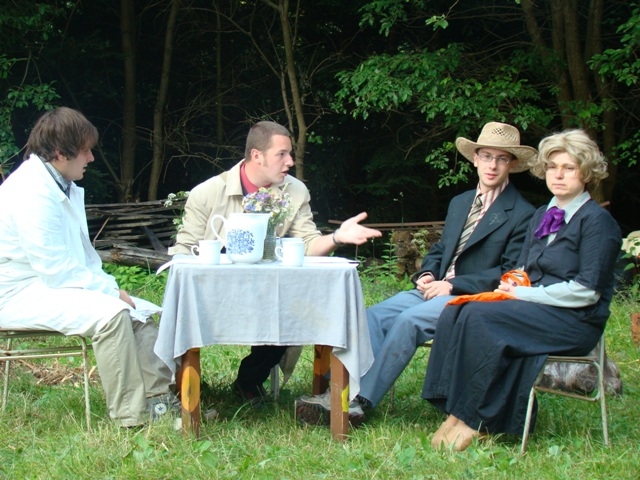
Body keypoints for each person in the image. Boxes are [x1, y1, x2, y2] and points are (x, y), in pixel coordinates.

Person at [295, 121, 537, 425]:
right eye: (487, 156)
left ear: (512, 164)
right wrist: (427, 274)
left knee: (409, 321)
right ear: (475, 159)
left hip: (473, 299)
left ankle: (359, 401)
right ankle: (338, 391)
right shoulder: (461, 202)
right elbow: (441, 249)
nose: (492, 165)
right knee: (372, 317)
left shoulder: (523, 213)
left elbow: (509, 272)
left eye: (501, 158)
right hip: (434, 289)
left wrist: (453, 286)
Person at [422, 129, 622, 451]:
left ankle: (475, 419)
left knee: (480, 319)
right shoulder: (542, 214)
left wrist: (523, 295)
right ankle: (454, 409)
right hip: (534, 308)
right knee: (457, 310)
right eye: (552, 166)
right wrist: (512, 284)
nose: (558, 174)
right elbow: (524, 268)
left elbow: (587, 292)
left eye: (568, 168)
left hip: (575, 320)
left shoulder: (598, 222)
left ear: (585, 173)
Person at [168, 120, 381, 406]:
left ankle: (249, 379)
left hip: (272, 292)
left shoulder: (295, 191)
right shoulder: (207, 193)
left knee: (294, 312)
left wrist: (337, 237)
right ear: (257, 155)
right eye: (282, 154)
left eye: (290, 154)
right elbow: (184, 252)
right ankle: (186, 382)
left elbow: (308, 244)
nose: (290, 161)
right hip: (214, 294)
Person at [0, 107, 179, 427]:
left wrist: (111, 289)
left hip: (45, 284)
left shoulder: (58, 184)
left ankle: (161, 403)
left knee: (141, 312)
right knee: (113, 315)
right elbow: (55, 268)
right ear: (60, 152)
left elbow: (79, 259)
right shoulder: (31, 191)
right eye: (85, 150)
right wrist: (110, 292)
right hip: (16, 291)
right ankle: (131, 416)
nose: (91, 158)